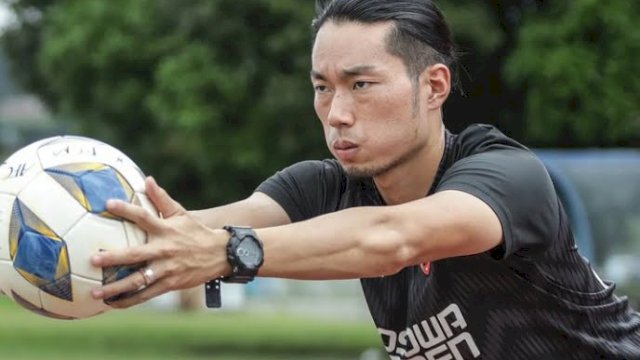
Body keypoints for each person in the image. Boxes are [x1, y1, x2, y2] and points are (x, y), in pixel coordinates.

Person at [90, 0, 640, 358]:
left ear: (434, 86)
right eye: (323, 86)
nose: (336, 113)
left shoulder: (507, 178)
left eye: (361, 85)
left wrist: (230, 252)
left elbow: (392, 238)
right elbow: (181, 232)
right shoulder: (321, 187)